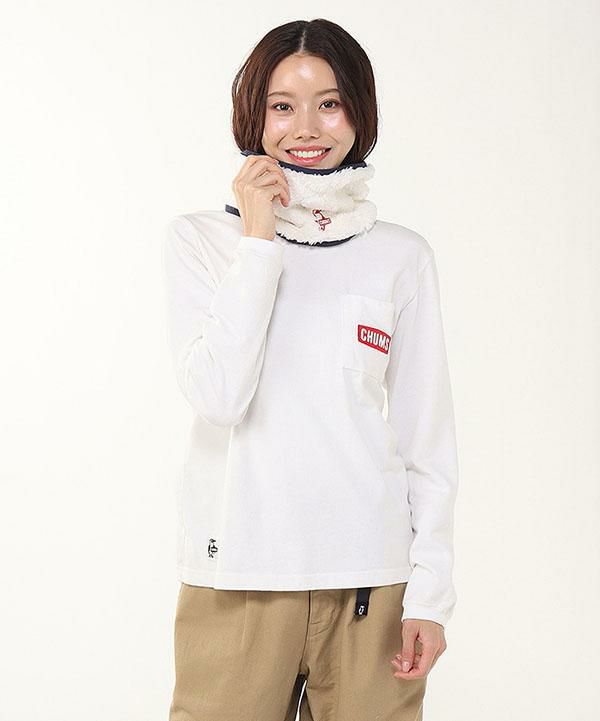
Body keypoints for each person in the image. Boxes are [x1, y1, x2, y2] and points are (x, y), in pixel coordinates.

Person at [161, 18, 459, 721]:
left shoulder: (400, 255)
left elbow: (427, 440)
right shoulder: (203, 240)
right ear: (254, 115)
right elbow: (219, 396)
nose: (306, 128)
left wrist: (430, 594)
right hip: (237, 576)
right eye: (282, 106)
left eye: (330, 103)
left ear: (359, 111)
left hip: (371, 585)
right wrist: (258, 240)